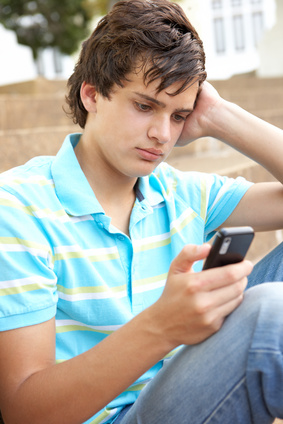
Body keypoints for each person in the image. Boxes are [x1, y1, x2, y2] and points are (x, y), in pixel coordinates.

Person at [0, 0, 283, 423]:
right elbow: (25, 411)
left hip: (191, 387)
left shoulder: (178, 190)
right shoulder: (18, 206)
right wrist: (163, 326)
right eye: (145, 106)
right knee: (269, 317)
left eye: (179, 115)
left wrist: (219, 116)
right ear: (92, 93)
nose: (162, 134)